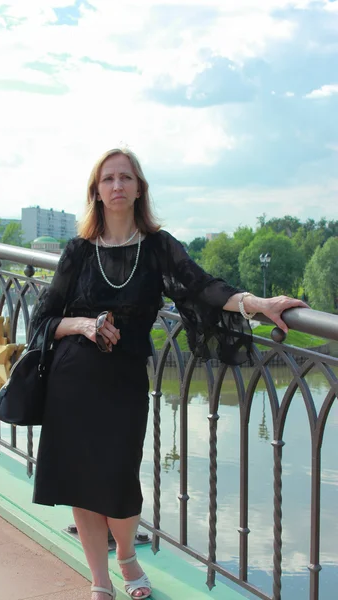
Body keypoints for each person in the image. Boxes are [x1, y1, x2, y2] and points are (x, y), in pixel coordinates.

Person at [28, 148, 307, 600]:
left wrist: (257, 303)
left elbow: (202, 287)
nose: (117, 186)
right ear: (96, 192)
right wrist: (82, 324)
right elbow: (41, 321)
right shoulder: (79, 250)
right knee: (81, 479)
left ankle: (126, 556)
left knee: (119, 476)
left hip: (124, 383)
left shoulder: (157, 247)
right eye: (108, 179)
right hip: (73, 381)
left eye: (126, 177)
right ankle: (100, 579)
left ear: (139, 188)